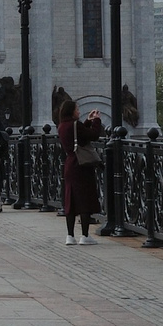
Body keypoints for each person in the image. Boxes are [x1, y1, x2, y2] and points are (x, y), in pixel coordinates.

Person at [61, 97, 104, 245]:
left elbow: (78, 136)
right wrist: (97, 121)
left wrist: (87, 121)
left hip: (70, 164)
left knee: (71, 200)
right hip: (81, 166)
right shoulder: (74, 125)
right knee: (85, 199)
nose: (79, 111)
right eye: (77, 109)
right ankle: (85, 235)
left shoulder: (62, 125)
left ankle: (70, 236)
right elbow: (92, 135)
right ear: (71, 111)